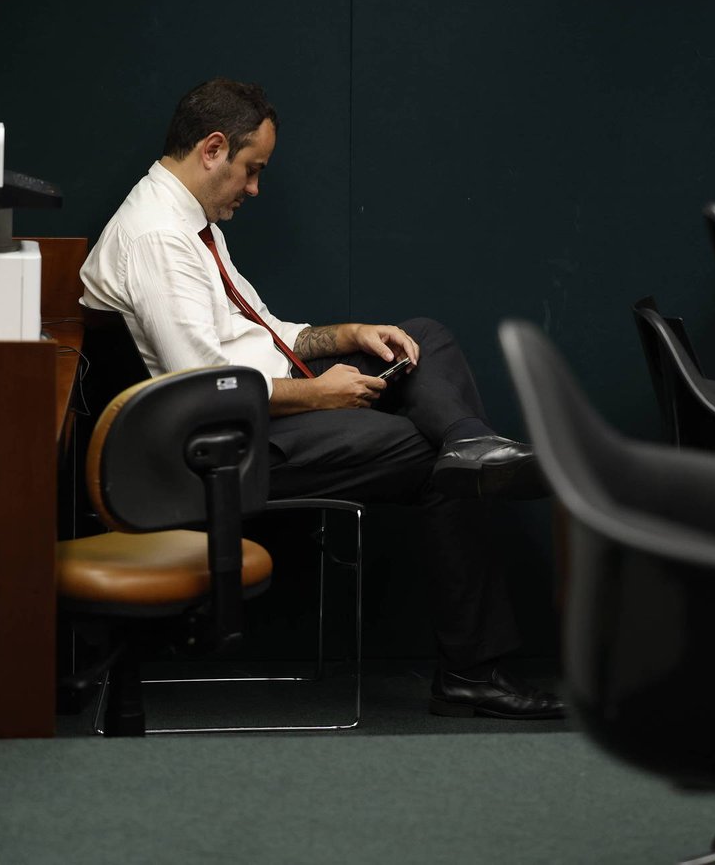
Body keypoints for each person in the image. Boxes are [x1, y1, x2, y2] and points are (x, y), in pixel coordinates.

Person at [80, 78, 563, 720]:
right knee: (429, 456)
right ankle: (473, 668)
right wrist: (319, 395)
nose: (254, 189)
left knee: (422, 338)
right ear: (213, 149)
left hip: (262, 406)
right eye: (252, 171)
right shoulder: (158, 239)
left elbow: (265, 332)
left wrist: (351, 335)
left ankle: (469, 441)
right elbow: (203, 388)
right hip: (221, 448)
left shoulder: (190, 224)